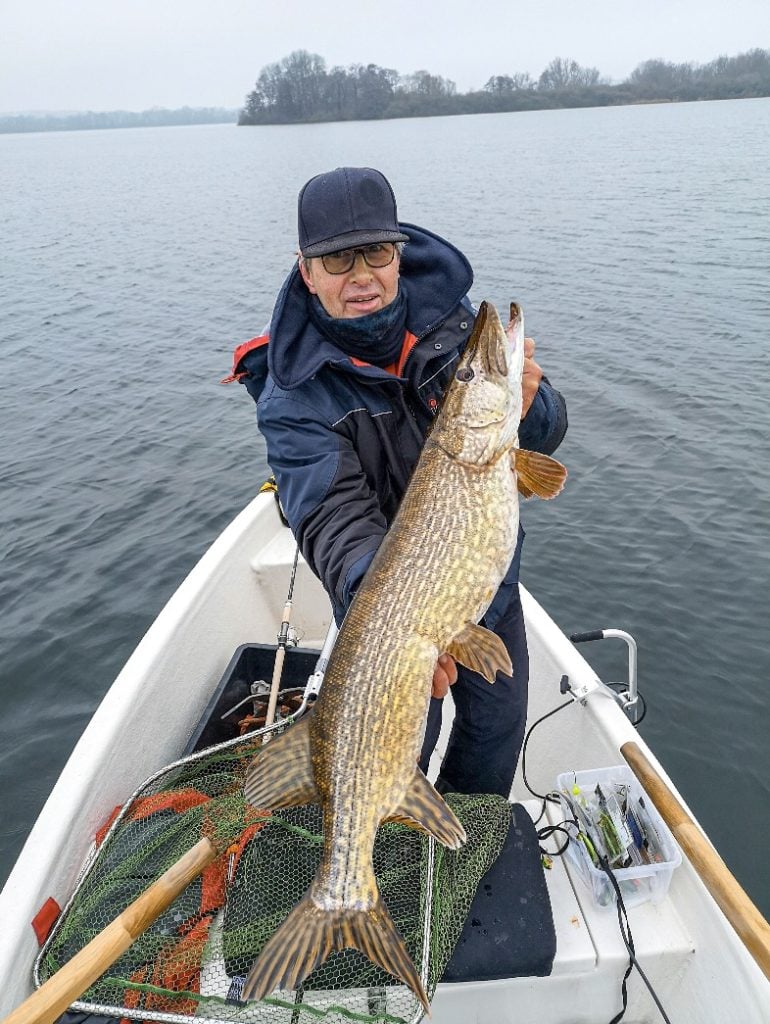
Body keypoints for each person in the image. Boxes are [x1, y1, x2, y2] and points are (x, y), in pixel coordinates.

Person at [227, 166, 567, 797]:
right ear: (306, 271)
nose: (360, 275)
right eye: (335, 260)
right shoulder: (292, 395)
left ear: (398, 253)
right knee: (398, 745)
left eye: (375, 252)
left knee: (496, 727)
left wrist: (529, 405)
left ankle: (464, 845)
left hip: (488, 584)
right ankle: (380, 863)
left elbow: (543, 441)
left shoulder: (452, 325)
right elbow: (330, 518)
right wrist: (402, 614)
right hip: (384, 608)